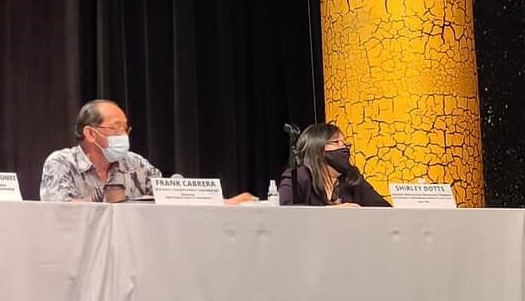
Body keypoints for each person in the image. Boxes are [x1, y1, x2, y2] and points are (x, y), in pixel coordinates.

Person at [40, 99, 254, 204]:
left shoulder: (135, 163)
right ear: (90, 133)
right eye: (116, 128)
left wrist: (217, 201)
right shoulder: (61, 163)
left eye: (126, 128)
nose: (123, 135)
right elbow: (63, 212)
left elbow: (170, 194)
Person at [279, 122, 390, 207]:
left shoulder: (352, 178)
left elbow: (382, 209)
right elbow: (288, 215)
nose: (344, 147)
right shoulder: (297, 178)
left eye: (346, 144)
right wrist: (333, 213)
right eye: (336, 142)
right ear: (316, 149)